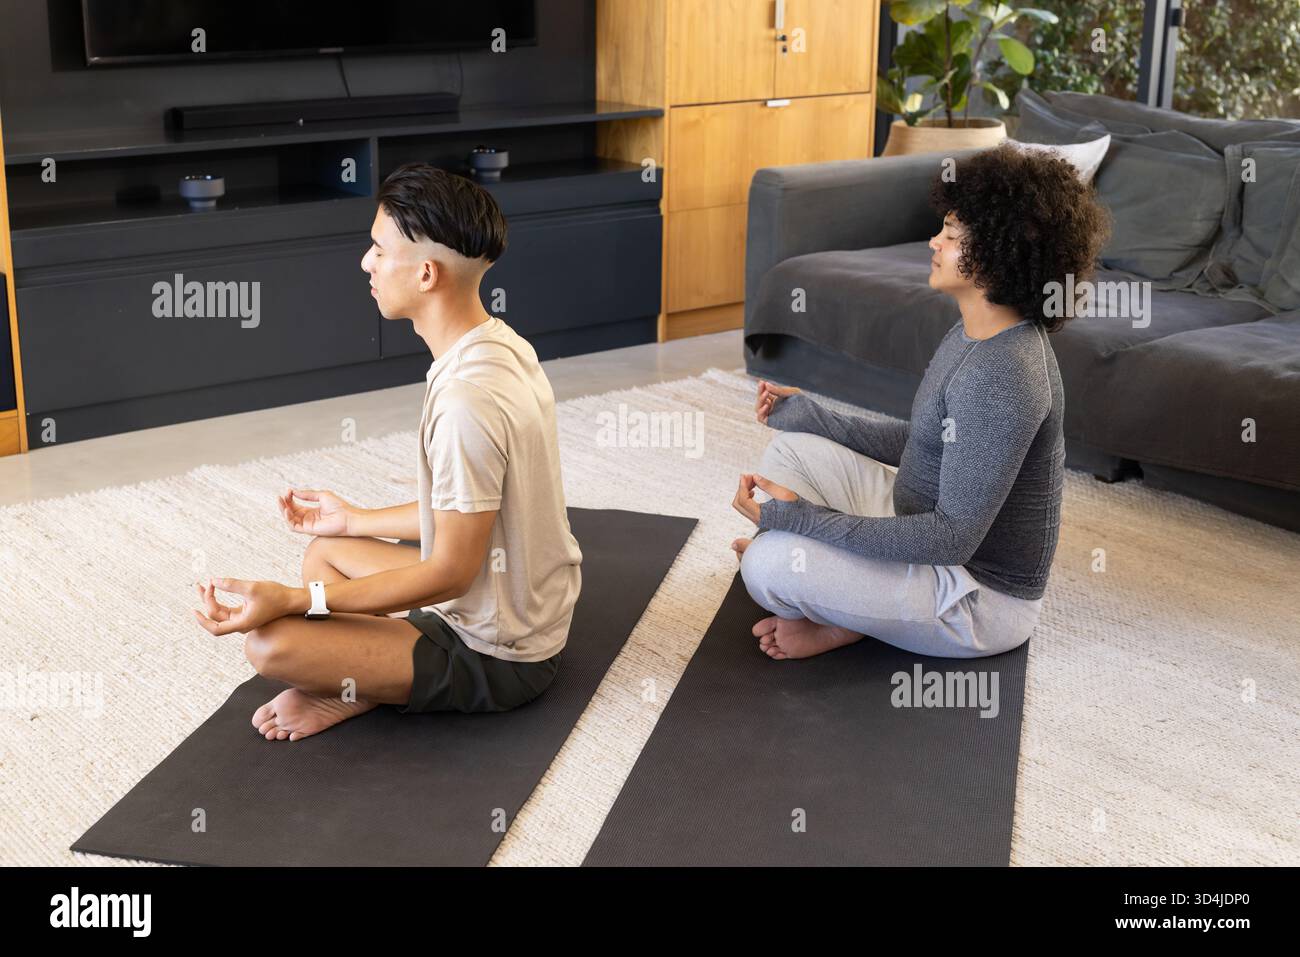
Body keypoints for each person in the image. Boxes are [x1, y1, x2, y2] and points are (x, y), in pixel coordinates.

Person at [193, 163, 582, 739]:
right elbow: (469, 513)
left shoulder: (466, 403)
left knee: (271, 645)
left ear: (426, 274)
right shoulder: (497, 344)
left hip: (501, 652)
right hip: (510, 595)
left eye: (378, 250)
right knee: (328, 549)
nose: (365, 263)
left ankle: (362, 688)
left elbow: (450, 572)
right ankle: (368, 675)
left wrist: (294, 602)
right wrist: (354, 519)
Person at [732, 142, 1110, 660]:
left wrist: (803, 524)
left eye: (951, 235)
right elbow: (927, 443)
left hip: (976, 598)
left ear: (996, 256)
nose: (933, 241)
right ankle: (849, 600)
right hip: (917, 523)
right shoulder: (976, 331)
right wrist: (813, 414)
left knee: (768, 566)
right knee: (791, 449)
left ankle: (845, 616)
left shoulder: (1006, 374)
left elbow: (951, 539)